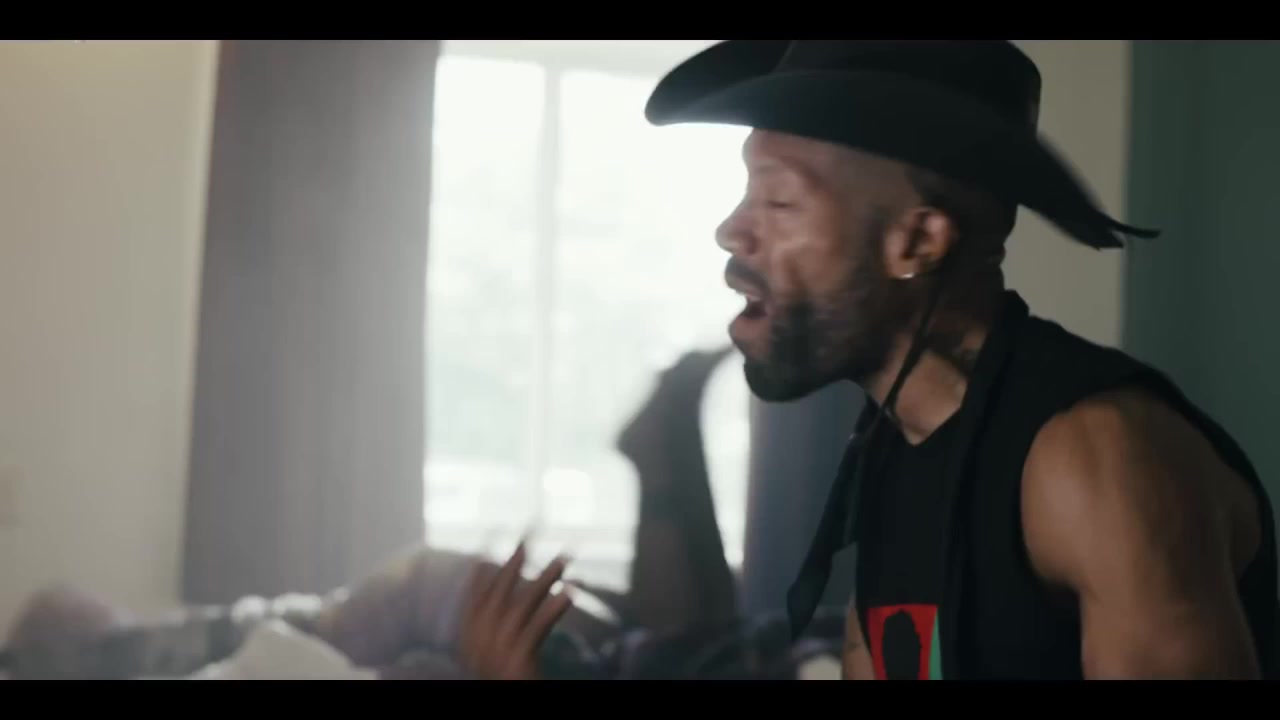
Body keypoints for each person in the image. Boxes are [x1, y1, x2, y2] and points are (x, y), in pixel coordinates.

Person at [640, 39, 1279, 680]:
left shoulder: (1098, 460)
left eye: (779, 202)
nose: (732, 231)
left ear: (917, 241)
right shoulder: (896, 441)